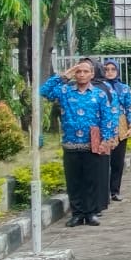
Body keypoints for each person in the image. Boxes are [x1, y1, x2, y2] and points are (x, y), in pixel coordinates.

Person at [42, 59, 115, 227]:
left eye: (85, 72)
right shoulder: (65, 92)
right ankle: (77, 213)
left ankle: (91, 213)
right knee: (74, 181)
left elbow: (107, 119)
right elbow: (44, 91)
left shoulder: (99, 94)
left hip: (92, 144)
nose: (81, 74)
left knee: (92, 179)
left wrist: (106, 139)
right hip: (71, 143)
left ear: (92, 74)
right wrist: (64, 76)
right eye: (78, 71)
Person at [100, 61, 131, 204]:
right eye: (106, 69)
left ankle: (115, 191)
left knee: (118, 161)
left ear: (118, 71)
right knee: (103, 161)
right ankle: (103, 192)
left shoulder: (124, 88)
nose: (109, 72)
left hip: (120, 125)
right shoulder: (99, 87)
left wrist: (130, 126)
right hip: (104, 126)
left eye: (113, 69)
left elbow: (129, 107)